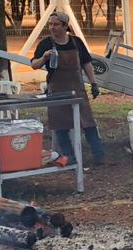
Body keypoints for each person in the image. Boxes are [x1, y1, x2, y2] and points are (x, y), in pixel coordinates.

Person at [30, 11, 106, 165]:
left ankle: (99, 156)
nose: (52, 28)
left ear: (65, 26)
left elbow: (87, 64)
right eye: (50, 24)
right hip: (56, 90)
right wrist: (44, 57)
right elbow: (33, 65)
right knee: (60, 125)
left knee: (88, 123)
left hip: (77, 89)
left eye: (56, 24)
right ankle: (69, 157)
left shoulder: (76, 42)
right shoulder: (45, 44)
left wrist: (93, 83)